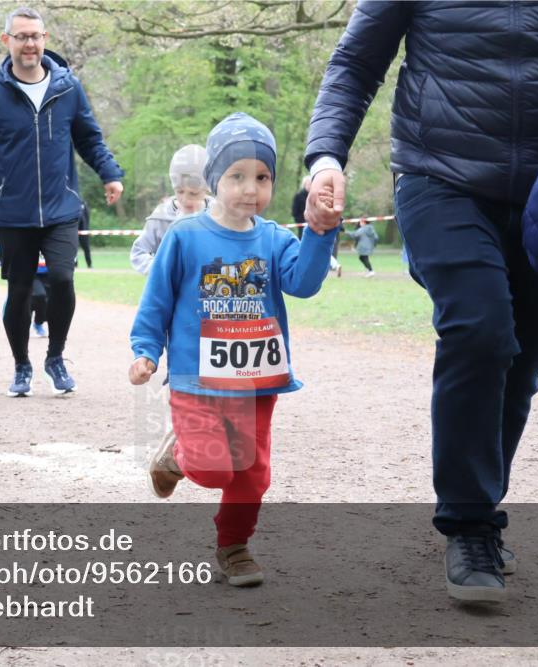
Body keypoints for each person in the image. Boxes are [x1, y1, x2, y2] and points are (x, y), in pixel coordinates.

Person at [303, 2, 538, 602]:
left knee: (525, 357)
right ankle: (470, 525)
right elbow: (355, 63)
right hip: (438, 176)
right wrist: (326, 158)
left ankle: (480, 507)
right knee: (480, 328)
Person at [129, 113, 339, 587]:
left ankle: (235, 545)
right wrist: (145, 350)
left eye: (262, 178)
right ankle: (177, 456)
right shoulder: (185, 236)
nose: (251, 189)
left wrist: (321, 233)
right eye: (237, 176)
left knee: (251, 475)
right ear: (213, 181)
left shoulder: (273, 238)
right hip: (196, 379)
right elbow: (156, 299)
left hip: (255, 382)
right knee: (210, 466)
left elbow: (304, 283)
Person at [0, 6, 125, 397]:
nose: (29, 43)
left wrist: (110, 173)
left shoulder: (68, 88)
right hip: (13, 212)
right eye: (21, 36)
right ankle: (21, 365)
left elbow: (89, 138)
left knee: (63, 280)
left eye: (35, 36)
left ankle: (55, 356)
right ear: (7, 41)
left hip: (62, 206)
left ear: (45, 39)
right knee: (21, 291)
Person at [130, 144, 211, 275]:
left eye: (193, 193)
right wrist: (158, 270)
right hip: (168, 293)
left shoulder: (219, 215)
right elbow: (139, 251)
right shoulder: (161, 216)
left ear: (207, 188)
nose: (185, 199)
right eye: (180, 191)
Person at [77, 199, 92, 268]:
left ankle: (89, 264)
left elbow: (87, 216)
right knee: (73, 249)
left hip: (84, 231)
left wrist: (87, 229)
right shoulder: (71, 204)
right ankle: (74, 265)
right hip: (74, 231)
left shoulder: (84, 203)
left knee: (86, 248)